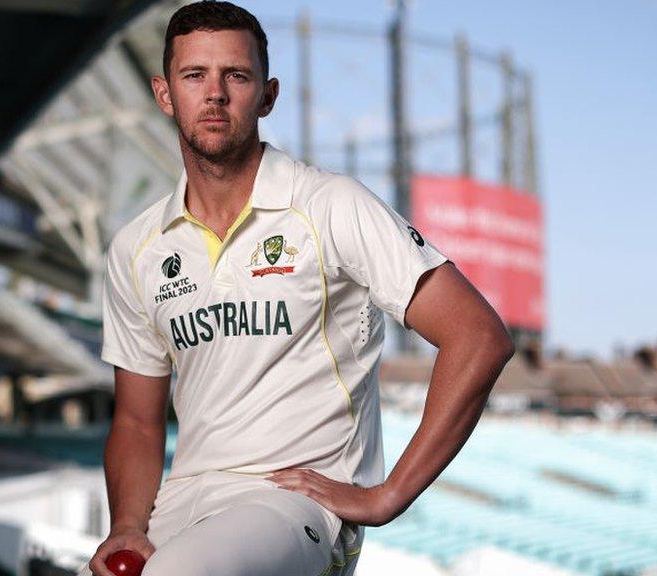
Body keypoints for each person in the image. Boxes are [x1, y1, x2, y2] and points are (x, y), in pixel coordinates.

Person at [84, 2, 514, 574]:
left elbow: (479, 336)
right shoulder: (137, 247)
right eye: (195, 76)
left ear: (267, 95)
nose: (215, 93)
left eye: (236, 76)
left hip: (293, 504)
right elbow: (138, 421)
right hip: (183, 502)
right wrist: (127, 527)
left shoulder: (330, 205)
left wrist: (385, 497)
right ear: (165, 94)